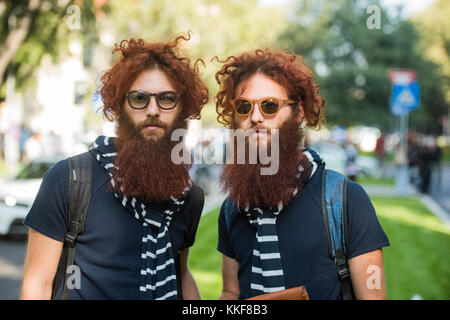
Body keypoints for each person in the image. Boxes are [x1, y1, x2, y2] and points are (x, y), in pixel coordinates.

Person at [21, 35, 209, 300]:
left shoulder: (189, 198)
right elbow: (36, 286)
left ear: (182, 108)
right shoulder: (69, 180)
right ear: (119, 105)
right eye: (139, 98)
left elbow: (181, 273)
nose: (152, 109)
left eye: (167, 98)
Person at [214, 49, 390, 300]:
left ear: (298, 113)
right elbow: (231, 292)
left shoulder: (347, 201)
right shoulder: (232, 209)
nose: (255, 117)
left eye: (270, 105)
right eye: (243, 106)